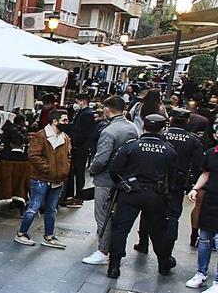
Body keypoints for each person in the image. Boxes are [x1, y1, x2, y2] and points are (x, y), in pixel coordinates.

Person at [105, 114, 178, 279]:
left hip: (130, 193)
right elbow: (173, 176)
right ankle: (163, 263)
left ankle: (114, 266)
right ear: (162, 128)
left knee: (120, 229)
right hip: (155, 195)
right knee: (158, 231)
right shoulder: (169, 150)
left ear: (143, 127)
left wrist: (122, 185)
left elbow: (114, 168)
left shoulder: (131, 146)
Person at [82, 96, 141, 266]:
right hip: (125, 179)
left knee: (103, 215)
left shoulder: (109, 131)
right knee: (114, 215)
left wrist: (92, 170)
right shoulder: (133, 128)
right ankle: (107, 248)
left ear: (108, 109)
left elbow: (101, 159)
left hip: (106, 178)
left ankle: (102, 250)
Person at [141, 108, 204, 256]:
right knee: (173, 215)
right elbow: (197, 165)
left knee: (147, 211)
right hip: (177, 183)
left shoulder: (161, 135)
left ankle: (143, 242)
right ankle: (167, 249)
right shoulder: (193, 139)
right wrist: (192, 185)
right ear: (187, 121)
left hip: (155, 180)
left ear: (171, 120)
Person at [15, 110, 72, 249]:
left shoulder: (65, 137)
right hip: (41, 178)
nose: (67, 123)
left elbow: (68, 156)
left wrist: (64, 169)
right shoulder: (41, 136)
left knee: (51, 209)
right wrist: (49, 169)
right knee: (34, 207)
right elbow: (33, 156)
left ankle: (49, 236)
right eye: (64, 120)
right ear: (55, 121)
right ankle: (21, 233)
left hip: (57, 179)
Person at [187, 146, 218, 293]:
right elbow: (206, 173)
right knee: (204, 238)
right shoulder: (212, 153)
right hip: (211, 200)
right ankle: (201, 273)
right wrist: (195, 188)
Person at [63, 95, 96, 207]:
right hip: (80, 147)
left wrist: (74, 144)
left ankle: (79, 196)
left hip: (80, 148)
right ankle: (73, 195)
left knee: (79, 172)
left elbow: (81, 133)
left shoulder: (86, 114)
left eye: (77, 102)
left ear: (83, 102)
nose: (75, 104)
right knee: (75, 172)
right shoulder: (83, 113)